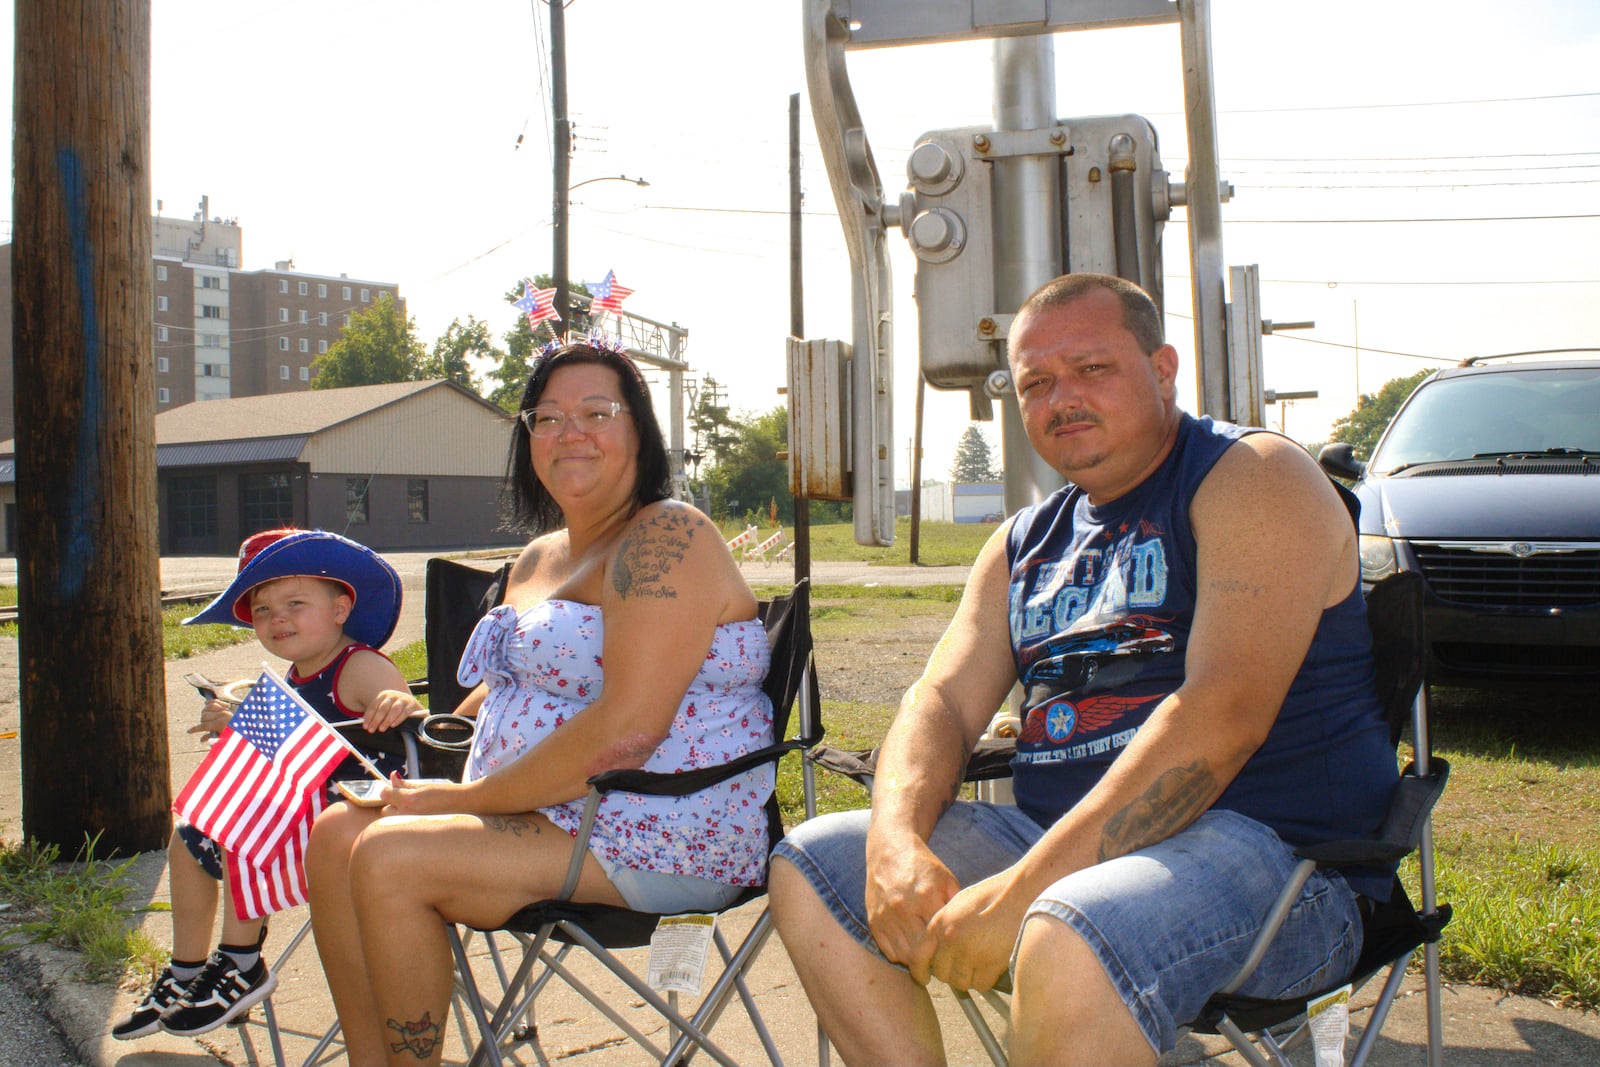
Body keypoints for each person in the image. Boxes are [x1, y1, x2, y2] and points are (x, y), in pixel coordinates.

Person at [769, 273, 1400, 1066]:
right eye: (1036, 382)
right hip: (1059, 849)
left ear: (1163, 369)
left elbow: (1222, 712)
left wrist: (1029, 887)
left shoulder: (1252, 476)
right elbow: (941, 700)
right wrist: (895, 843)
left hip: (1282, 869)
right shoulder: (1021, 542)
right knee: (814, 867)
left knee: (1066, 928)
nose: (1061, 397)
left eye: (1092, 368)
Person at [305, 339, 775, 1067]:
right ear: (529, 441)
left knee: (393, 856)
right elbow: (519, 682)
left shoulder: (668, 537)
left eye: (596, 411)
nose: (570, 432)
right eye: (547, 417)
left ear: (639, 433)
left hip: (659, 825)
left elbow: (628, 730)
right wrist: (431, 743)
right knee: (339, 831)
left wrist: (459, 802)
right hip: (543, 815)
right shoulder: (537, 555)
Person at [113, 528, 412, 1041]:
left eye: (296, 603)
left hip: (362, 825)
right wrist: (232, 725)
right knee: (188, 836)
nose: (278, 619)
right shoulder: (295, 678)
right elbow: (286, 755)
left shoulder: (358, 665)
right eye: (262, 610)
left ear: (341, 609)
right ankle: (187, 968)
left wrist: (398, 704)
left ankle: (241, 961)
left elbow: (411, 721)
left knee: (243, 818)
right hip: (297, 824)